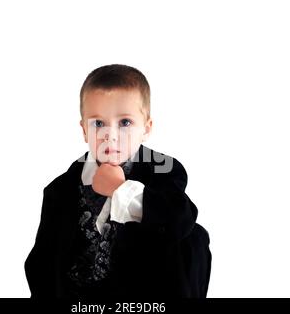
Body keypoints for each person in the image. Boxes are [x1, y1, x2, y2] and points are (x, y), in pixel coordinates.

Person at [25, 64, 211, 299]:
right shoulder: (60, 189)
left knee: (194, 236)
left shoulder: (164, 169)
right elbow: (42, 259)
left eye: (125, 122)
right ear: (84, 130)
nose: (110, 135)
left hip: (142, 290)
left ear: (146, 128)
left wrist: (122, 190)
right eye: (98, 123)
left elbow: (181, 219)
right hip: (82, 295)